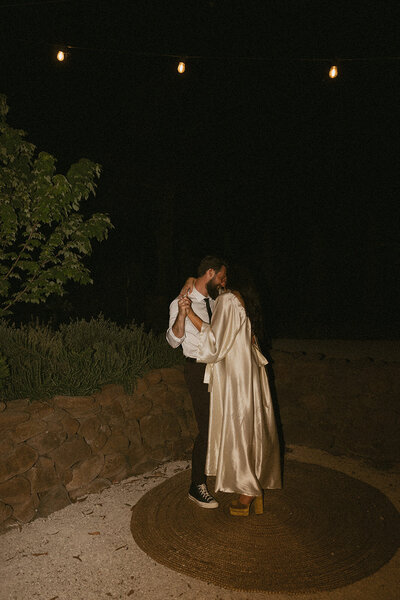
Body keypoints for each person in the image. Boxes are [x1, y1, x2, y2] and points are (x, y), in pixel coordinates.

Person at [184, 266, 281, 516]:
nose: (220, 280)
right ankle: (252, 488)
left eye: (223, 276)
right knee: (251, 427)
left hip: (236, 377)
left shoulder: (227, 299)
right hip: (248, 372)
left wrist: (190, 315)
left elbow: (214, 342)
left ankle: (248, 490)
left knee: (239, 428)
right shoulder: (243, 301)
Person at [166, 256, 228, 509]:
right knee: (207, 427)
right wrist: (182, 315)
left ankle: (222, 472)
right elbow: (172, 340)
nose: (224, 282)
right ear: (210, 272)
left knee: (223, 423)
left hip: (221, 368)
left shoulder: (215, 301)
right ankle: (196, 484)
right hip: (198, 369)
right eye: (222, 277)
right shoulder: (181, 302)